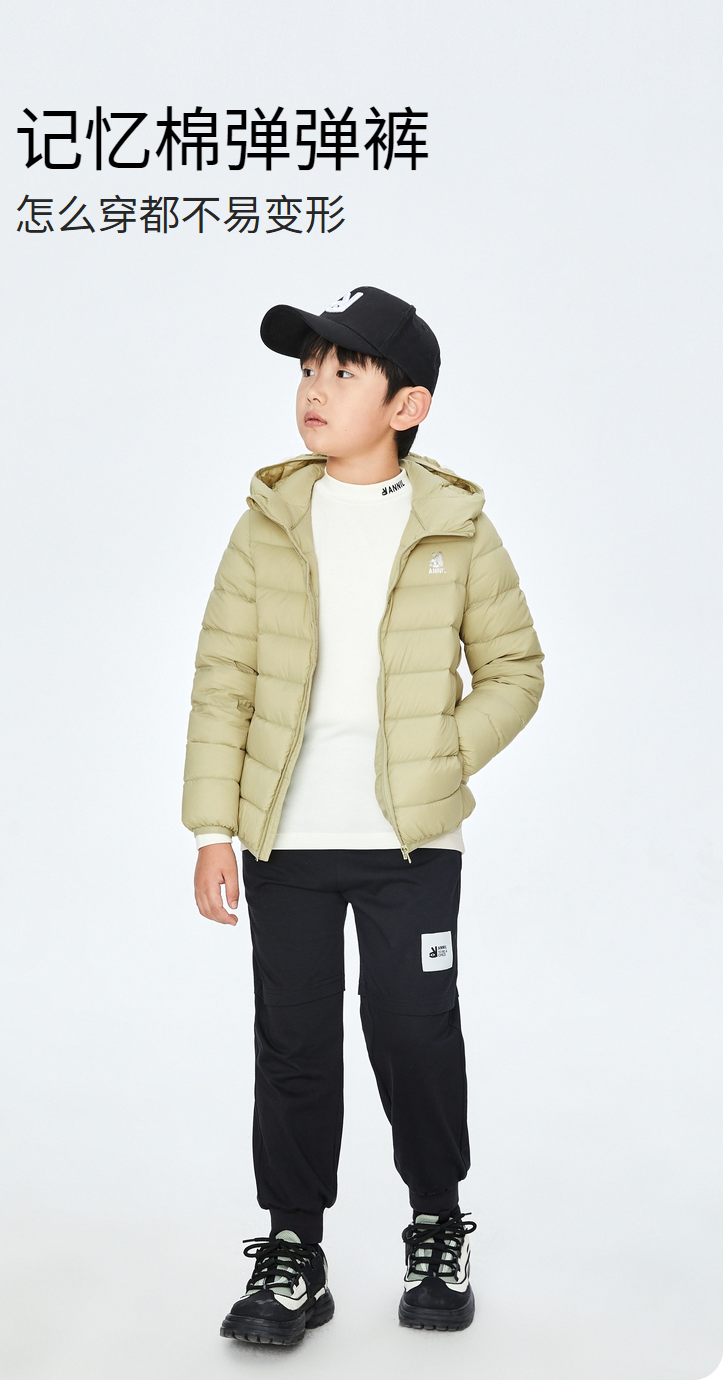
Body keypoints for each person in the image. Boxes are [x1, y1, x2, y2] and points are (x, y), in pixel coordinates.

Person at [182, 285, 544, 1345]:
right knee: (294, 1045)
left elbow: (516, 670)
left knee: (413, 1032)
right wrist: (213, 829)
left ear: (406, 405)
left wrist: (436, 765)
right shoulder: (268, 522)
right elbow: (223, 680)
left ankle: (436, 1223)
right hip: (284, 840)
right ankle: (293, 1250)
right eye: (308, 369)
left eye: (344, 371)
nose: (315, 388)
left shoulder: (455, 525)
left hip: (410, 845)